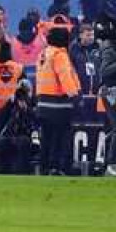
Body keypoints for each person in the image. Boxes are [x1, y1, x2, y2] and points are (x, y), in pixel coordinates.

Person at [36, 23, 83, 176]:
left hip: (43, 102)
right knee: (61, 137)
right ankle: (57, 167)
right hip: (58, 105)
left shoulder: (43, 54)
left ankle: (43, 167)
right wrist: (75, 96)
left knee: (47, 137)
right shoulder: (60, 55)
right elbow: (65, 77)